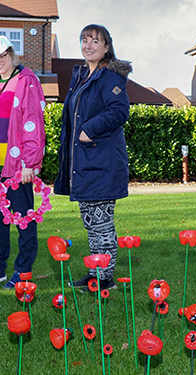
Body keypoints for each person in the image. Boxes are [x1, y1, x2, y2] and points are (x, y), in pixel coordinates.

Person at [54, 24, 131, 291]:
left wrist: (89, 129)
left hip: (102, 162)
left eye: (95, 41)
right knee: (91, 221)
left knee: (101, 222)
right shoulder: (82, 76)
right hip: (85, 163)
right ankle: (95, 273)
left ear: (106, 47)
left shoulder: (110, 77)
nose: (88, 45)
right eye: (84, 40)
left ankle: (105, 278)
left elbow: (119, 111)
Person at [0, 35, 46, 288]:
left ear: (12, 54)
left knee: (23, 219)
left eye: (1, 56)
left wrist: (29, 163)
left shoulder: (27, 81)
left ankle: (23, 270)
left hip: (18, 167)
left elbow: (33, 124)